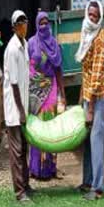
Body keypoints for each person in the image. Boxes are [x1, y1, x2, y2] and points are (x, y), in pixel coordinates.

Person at [27, 11, 65, 181]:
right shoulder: (31, 43)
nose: (44, 26)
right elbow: (27, 67)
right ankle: (36, 169)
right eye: (41, 23)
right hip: (35, 91)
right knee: (37, 128)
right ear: (36, 25)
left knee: (50, 128)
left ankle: (50, 169)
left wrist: (62, 94)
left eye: (46, 22)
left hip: (51, 90)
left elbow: (58, 70)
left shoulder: (54, 44)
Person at [76, 0, 104, 201]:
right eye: (90, 14)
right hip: (87, 95)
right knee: (87, 141)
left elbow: (96, 77)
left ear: (100, 17)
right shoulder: (86, 35)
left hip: (96, 98)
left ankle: (97, 188)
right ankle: (87, 181)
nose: (92, 18)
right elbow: (85, 73)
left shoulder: (99, 40)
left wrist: (90, 109)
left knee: (96, 140)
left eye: (95, 15)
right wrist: (81, 97)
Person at [3, 10, 32, 203]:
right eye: (19, 23)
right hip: (15, 108)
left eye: (24, 22)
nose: (23, 26)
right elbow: (13, 83)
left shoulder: (25, 44)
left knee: (25, 148)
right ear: (14, 27)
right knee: (16, 150)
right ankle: (19, 192)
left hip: (23, 105)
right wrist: (21, 111)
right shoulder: (12, 49)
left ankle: (26, 185)